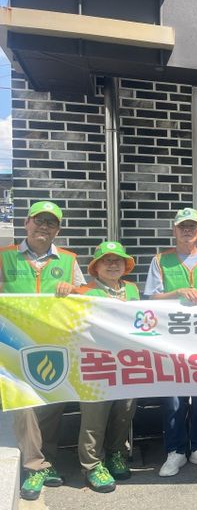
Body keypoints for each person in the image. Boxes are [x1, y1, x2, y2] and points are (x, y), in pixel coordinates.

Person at [0, 201, 85, 500]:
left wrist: (73, 290)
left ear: (57, 230)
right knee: (22, 403)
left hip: (54, 344)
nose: (44, 227)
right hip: (12, 346)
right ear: (27, 223)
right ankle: (34, 466)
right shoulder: (5, 256)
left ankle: (46, 461)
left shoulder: (69, 260)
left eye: (51, 223)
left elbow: (86, 295)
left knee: (51, 402)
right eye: (39, 221)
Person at [143, 207, 197, 477]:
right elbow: (150, 299)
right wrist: (176, 293)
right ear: (174, 230)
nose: (187, 231)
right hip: (171, 339)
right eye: (182, 226)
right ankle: (175, 450)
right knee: (174, 397)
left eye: (192, 227)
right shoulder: (159, 260)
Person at [73, 241, 139, 492]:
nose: (113, 265)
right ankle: (91, 465)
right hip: (96, 363)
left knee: (124, 411)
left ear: (125, 265)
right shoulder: (83, 292)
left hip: (128, 363)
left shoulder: (132, 289)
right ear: (96, 266)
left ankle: (115, 454)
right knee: (94, 416)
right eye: (107, 260)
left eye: (118, 260)